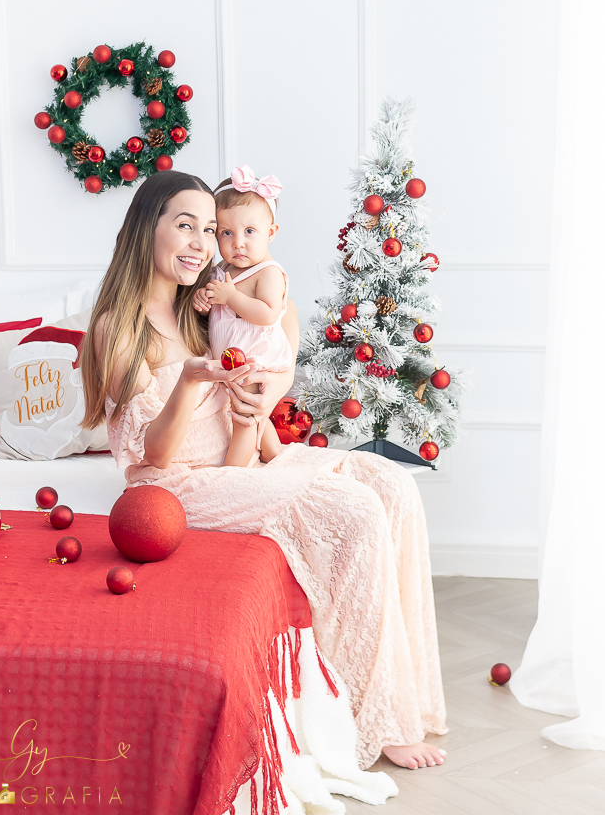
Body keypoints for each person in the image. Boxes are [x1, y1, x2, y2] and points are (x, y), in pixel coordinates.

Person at [81, 170, 448, 771]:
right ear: (148, 228)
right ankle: (370, 719)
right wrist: (192, 384)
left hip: (238, 458)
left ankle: (405, 698)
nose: (203, 243)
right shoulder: (119, 330)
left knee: (391, 483)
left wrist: (261, 398)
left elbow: (278, 329)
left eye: (209, 229)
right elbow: (152, 456)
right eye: (185, 225)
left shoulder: (202, 308)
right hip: (177, 484)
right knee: (352, 513)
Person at [192, 164, 289, 467]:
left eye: (249, 231)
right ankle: (274, 455)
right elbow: (216, 308)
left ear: (270, 233)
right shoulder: (221, 271)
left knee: (244, 416)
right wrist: (204, 299)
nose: (238, 242)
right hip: (231, 358)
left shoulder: (268, 272)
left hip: (254, 359)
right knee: (249, 408)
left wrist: (231, 297)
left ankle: (231, 474)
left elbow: (268, 314)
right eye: (226, 232)